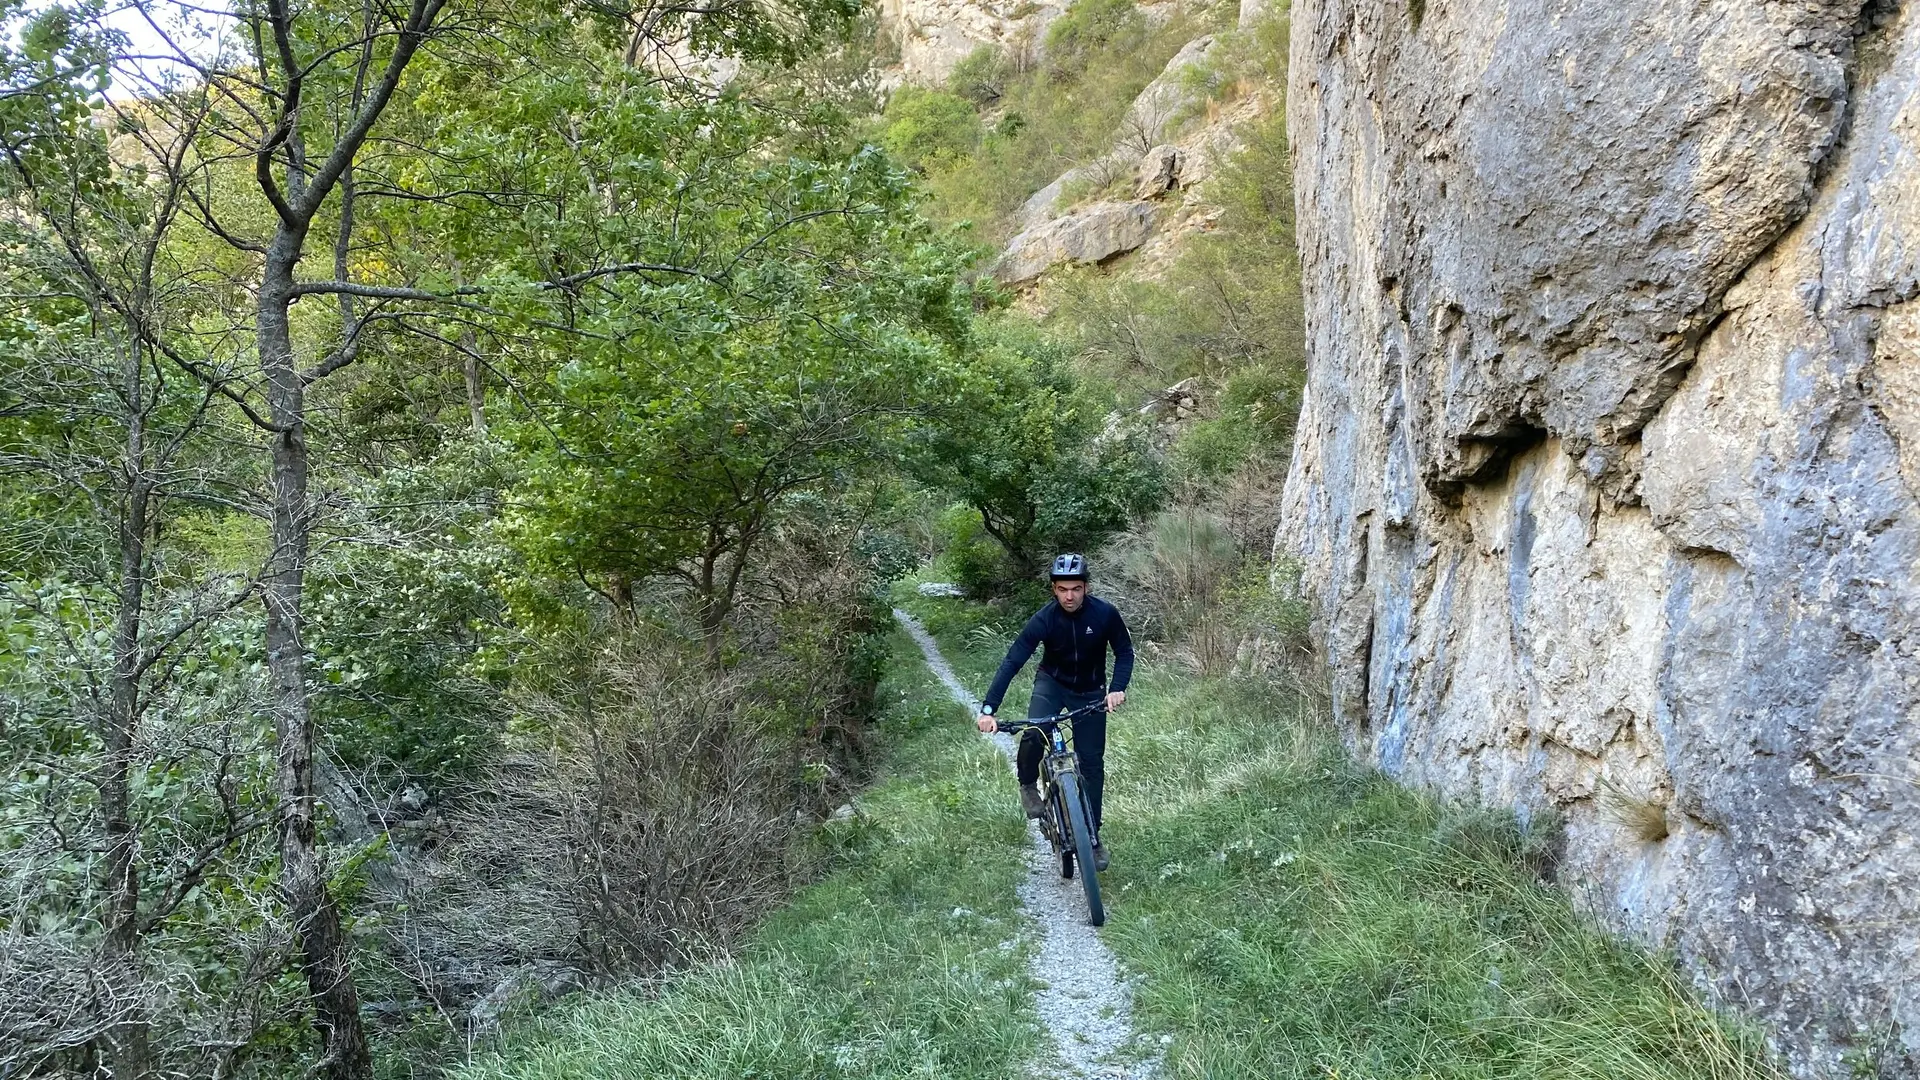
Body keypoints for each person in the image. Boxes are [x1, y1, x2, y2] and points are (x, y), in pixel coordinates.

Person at [975, 552, 1133, 871]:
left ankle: (1092, 837)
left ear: (1086, 587)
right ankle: (1027, 784)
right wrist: (989, 709)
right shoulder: (1045, 619)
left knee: (1091, 765)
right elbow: (1013, 661)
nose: (1069, 596)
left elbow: (1124, 651)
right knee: (1034, 733)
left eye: (1075, 588)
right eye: (1062, 589)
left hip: (1090, 691)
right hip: (1052, 684)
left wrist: (1117, 688)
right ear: (1054, 589)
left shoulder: (1104, 615)